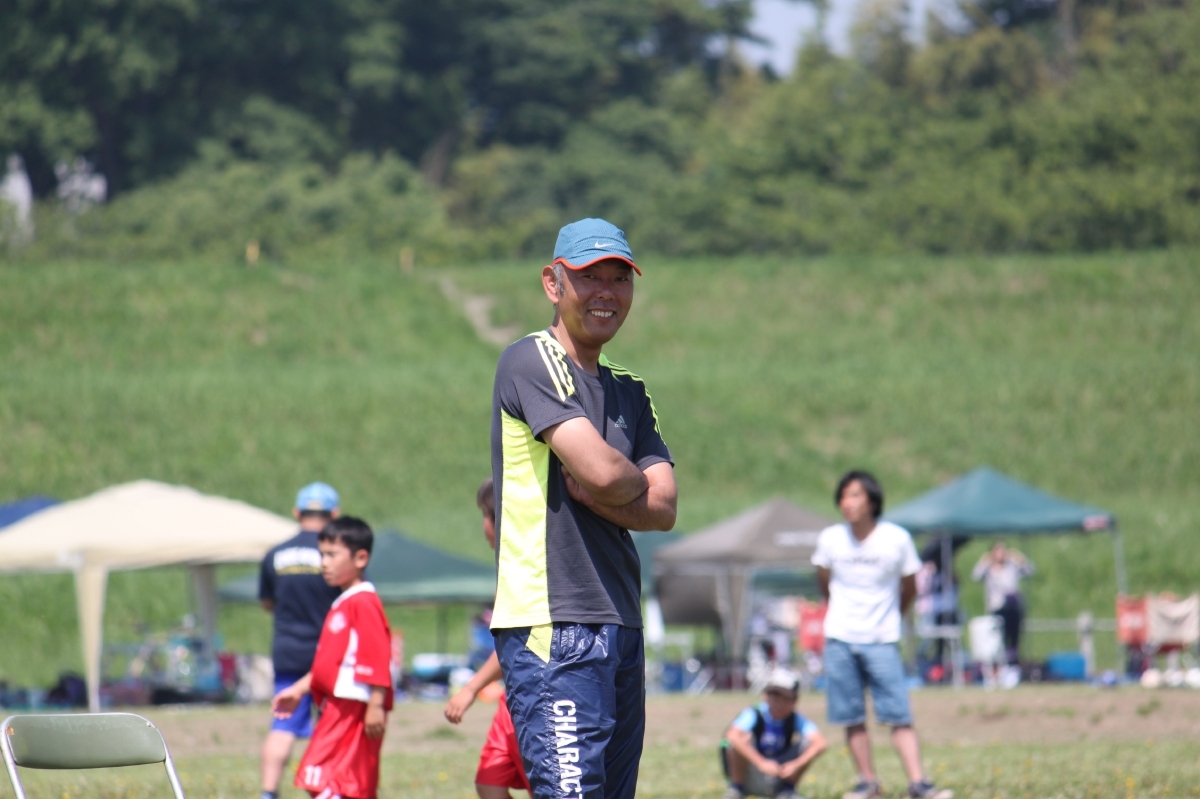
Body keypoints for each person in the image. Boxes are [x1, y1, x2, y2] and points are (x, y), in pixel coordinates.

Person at [489, 217, 677, 799]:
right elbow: (602, 472)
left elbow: (664, 507)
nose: (606, 293)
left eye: (620, 279)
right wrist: (620, 481)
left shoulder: (630, 390)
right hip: (553, 621)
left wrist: (607, 487)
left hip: (621, 620)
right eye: (589, 276)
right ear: (553, 283)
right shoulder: (531, 360)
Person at [812, 470, 951, 799]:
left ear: (873, 501)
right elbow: (823, 581)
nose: (847, 503)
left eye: (855, 495)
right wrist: (840, 612)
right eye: (843, 496)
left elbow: (910, 586)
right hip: (840, 638)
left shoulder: (896, 538)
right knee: (851, 715)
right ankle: (868, 784)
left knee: (898, 714)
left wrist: (891, 616)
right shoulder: (831, 538)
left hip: (882, 639)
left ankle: (919, 783)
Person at [272, 516, 394, 799]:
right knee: (337, 780)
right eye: (322, 554)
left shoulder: (363, 601)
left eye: (332, 554)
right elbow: (330, 662)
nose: (324, 563)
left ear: (360, 558)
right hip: (337, 704)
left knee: (321, 776)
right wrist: (298, 689)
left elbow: (378, 654)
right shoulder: (344, 601)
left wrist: (376, 703)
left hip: (352, 706)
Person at [444, 477, 531, 799]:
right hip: (513, 698)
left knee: (546, 785)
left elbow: (513, 647)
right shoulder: (506, 569)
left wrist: (470, 689)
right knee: (489, 783)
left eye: (485, 514)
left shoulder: (523, 573)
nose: (483, 524)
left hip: (534, 696)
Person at [258, 483, 344, 799]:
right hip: (327, 652)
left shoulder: (274, 554)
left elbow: (267, 602)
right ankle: (326, 788)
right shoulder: (335, 555)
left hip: (287, 651)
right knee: (330, 727)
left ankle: (268, 792)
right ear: (334, 514)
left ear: (297, 513)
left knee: (283, 725)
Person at [721, 668, 827, 799]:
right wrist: (761, 763)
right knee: (741, 739)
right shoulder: (754, 714)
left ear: (794, 701)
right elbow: (731, 736)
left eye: (786, 698)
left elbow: (821, 743)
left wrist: (796, 765)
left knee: (808, 743)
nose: (780, 703)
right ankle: (737, 789)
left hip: (780, 773)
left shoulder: (795, 718)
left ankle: (787, 790)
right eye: (775, 696)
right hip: (752, 774)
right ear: (765, 696)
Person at [971, 541, 1034, 669]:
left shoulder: (1012, 566)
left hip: (1013, 607)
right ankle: (1000, 666)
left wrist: (1019, 558)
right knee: (998, 639)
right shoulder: (989, 568)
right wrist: (984, 560)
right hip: (997, 608)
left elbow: (1030, 571)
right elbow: (975, 576)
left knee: (1014, 637)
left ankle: (1013, 665)